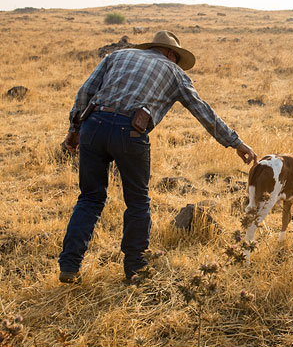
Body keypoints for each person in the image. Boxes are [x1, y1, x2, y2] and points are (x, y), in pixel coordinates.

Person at [58, 30, 257, 284]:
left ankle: (70, 265)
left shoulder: (116, 56)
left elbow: (85, 92)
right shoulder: (174, 72)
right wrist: (235, 143)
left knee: (90, 198)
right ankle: (135, 270)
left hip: (93, 125)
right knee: (138, 202)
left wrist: (74, 131)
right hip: (129, 132)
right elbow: (202, 111)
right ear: (171, 53)